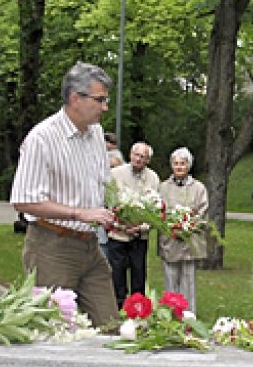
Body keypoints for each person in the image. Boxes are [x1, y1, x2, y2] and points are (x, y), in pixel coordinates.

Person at [10, 61, 119, 327]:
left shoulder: (95, 133)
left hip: (91, 246)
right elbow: (23, 200)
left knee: (111, 327)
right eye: (100, 100)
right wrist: (78, 213)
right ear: (75, 98)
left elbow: (101, 186)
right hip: (52, 247)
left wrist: (119, 214)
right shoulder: (42, 139)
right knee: (53, 332)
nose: (105, 107)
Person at [108, 141, 160, 308]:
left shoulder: (153, 178)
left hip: (140, 236)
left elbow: (157, 209)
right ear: (130, 155)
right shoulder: (115, 174)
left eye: (143, 157)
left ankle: (138, 310)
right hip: (118, 235)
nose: (138, 159)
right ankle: (118, 308)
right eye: (136, 155)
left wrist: (141, 227)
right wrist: (121, 225)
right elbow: (107, 202)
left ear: (148, 160)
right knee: (117, 275)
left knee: (138, 275)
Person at [157, 147, 208, 313]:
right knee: (170, 281)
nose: (179, 167)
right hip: (169, 242)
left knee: (188, 281)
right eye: (176, 164)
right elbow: (158, 212)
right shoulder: (163, 187)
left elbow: (202, 213)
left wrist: (188, 227)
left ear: (189, 166)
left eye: (182, 164)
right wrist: (170, 227)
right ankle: (170, 315)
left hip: (189, 242)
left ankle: (188, 316)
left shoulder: (198, 188)